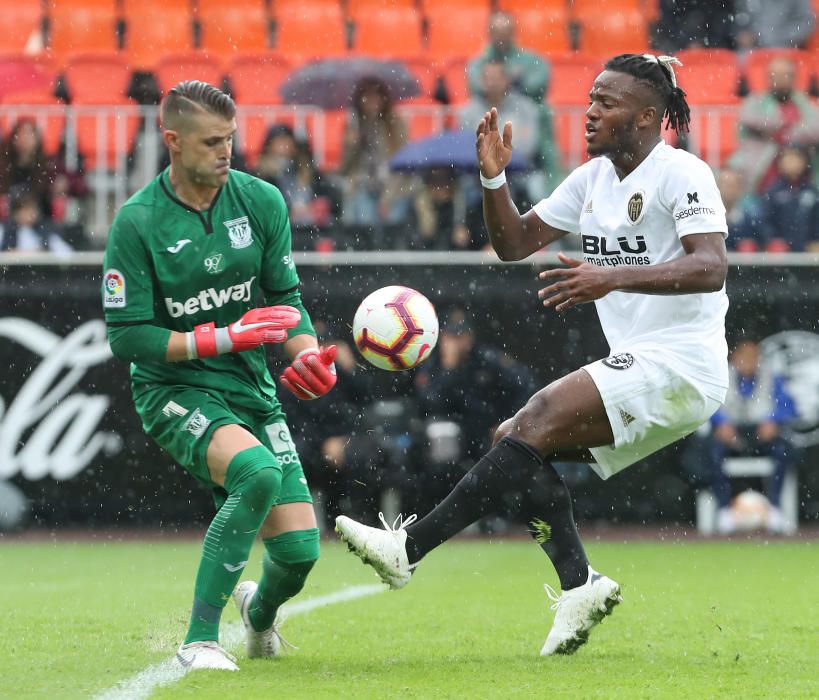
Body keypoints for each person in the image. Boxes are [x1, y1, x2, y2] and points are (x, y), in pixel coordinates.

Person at [336, 53, 731, 657]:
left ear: (649, 116)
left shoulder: (683, 173)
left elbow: (711, 267)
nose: (591, 112)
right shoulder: (592, 179)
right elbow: (514, 243)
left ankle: (406, 550)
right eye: (591, 99)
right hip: (650, 365)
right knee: (513, 441)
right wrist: (492, 179)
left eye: (607, 102)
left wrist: (611, 278)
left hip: (683, 363)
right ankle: (580, 585)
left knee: (538, 415)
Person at [102, 81, 338, 672]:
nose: (225, 152)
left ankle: (257, 615)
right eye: (211, 142)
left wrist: (304, 353)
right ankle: (199, 640)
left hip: (250, 385)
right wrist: (224, 337)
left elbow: (286, 300)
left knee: (299, 553)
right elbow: (127, 337)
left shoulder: (261, 201)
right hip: (173, 387)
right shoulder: (137, 222)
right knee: (255, 475)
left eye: (230, 139)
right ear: (173, 142)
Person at [413, 310, 537, 510]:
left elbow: (526, 385)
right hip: (453, 434)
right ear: (443, 337)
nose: (457, 342)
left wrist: (510, 421)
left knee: (502, 456)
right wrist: (450, 369)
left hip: (488, 430)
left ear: (470, 337)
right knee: (440, 438)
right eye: (452, 336)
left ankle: (494, 514)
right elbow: (429, 404)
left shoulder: (487, 358)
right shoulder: (434, 363)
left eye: (461, 335)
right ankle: (443, 510)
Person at [708, 339, 798, 534]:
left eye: (754, 357)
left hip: (761, 432)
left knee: (783, 451)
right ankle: (724, 511)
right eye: (744, 357)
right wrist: (720, 422)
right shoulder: (720, 377)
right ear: (735, 358)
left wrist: (773, 420)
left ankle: (773, 508)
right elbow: (708, 404)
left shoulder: (771, 377)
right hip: (731, 432)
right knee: (712, 453)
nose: (749, 361)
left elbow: (789, 405)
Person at [460, 60, 562, 201]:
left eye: (497, 78)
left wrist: (498, 156)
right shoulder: (468, 112)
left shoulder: (526, 108)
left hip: (520, 173)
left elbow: (528, 145)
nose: (492, 83)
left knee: (538, 189)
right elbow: (465, 146)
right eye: (488, 78)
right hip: (478, 174)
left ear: (507, 80)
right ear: (481, 81)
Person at [728, 56, 819, 193]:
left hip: (803, 178)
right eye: (775, 75)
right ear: (768, 78)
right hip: (760, 172)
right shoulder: (756, 101)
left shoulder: (803, 103)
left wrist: (783, 133)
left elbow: (815, 128)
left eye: (785, 75)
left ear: (794, 78)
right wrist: (786, 125)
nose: (780, 80)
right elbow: (748, 118)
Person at [339, 76, 409, 227]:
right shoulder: (354, 125)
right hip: (362, 186)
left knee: (391, 224)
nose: (372, 100)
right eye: (367, 96)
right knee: (362, 222)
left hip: (391, 186)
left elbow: (403, 164)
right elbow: (344, 169)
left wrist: (388, 198)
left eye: (376, 95)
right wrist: (351, 146)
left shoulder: (396, 125)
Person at [255, 124, 341, 229]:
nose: (285, 145)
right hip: (283, 224)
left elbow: (326, 191)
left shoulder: (305, 167)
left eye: (287, 140)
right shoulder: (262, 173)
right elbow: (265, 203)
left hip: (313, 222)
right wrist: (291, 209)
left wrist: (321, 204)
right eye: (280, 141)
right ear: (269, 145)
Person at [467, 11, 549, 103]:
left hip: (525, 107)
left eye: (505, 32)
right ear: (490, 33)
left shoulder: (532, 60)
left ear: (512, 33)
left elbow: (539, 85)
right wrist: (504, 84)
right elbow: (476, 86)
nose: (501, 37)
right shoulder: (478, 62)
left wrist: (518, 83)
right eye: (497, 32)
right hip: (488, 106)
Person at [758, 145, 819, 252]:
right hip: (781, 255)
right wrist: (773, 240)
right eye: (786, 157)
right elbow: (765, 222)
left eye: (795, 157)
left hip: (809, 253)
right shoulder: (772, 192)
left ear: (805, 161)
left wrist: (815, 241)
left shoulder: (812, 192)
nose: (791, 161)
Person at [0, 186, 73, 253]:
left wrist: (45, 251)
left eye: (33, 208)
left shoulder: (46, 230)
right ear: (15, 212)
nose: (30, 213)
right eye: (26, 209)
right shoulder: (5, 230)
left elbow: (65, 252)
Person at [734, 0, 816, 51]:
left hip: (787, 48)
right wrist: (742, 34)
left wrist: (778, 37)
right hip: (754, 49)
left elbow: (806, 25)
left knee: (780, 69)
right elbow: (739, 18)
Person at [717, 166, 764, 251]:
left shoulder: (750, 221)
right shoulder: (710, 219)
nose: (727, 189)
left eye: (731, 185)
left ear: (740, 189)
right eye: (724, 184)